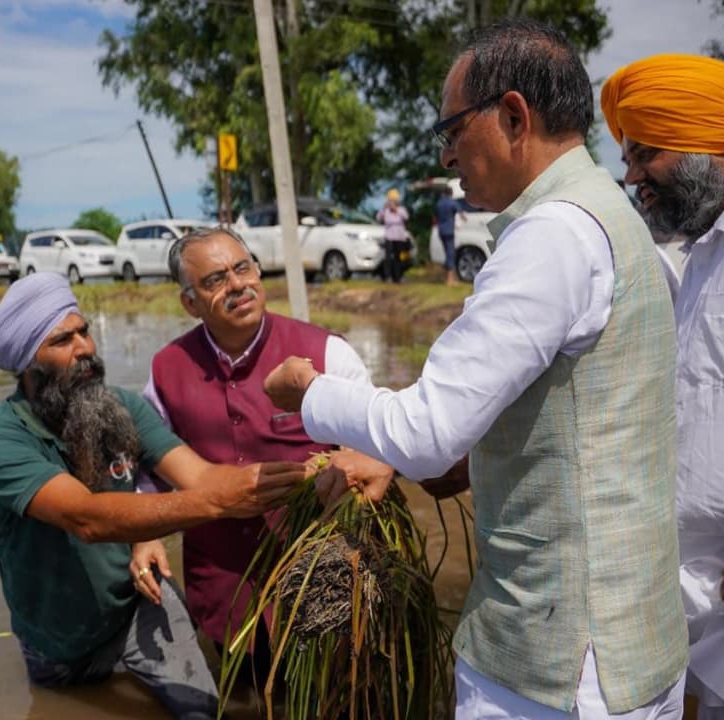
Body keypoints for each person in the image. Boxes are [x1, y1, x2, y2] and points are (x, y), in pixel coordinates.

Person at [262, 19, 686, 719]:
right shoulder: (614, 216)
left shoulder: (551, 235)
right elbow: (572, 419)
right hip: (633, 644)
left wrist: (310, 393)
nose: (449, 154)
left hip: (560, 667)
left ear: (514, 116)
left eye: (453, 129)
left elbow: (430, 428)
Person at [0, 272, 315, 719]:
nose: (85, 349)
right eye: (62, 341)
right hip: (56, 640)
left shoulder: (122, 407)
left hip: (139, 602)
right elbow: (88, 518)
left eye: (84, 332)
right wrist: (219, 502)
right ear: (26, 365)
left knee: (203, 711)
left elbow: (200, 476)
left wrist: (296, 476)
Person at [140, 225, 400, 682]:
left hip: (326, 586)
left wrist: (352, 465)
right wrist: (145, 534)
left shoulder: (326, 353)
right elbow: (149, 467)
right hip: (223, 592)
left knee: (337, 696)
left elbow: (380, 443)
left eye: (243, 268)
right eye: (215, 280)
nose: (237, 285)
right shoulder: (166, 370)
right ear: (189, 303)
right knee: (246, 693)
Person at [601, 52, 724, 719]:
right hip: (690, 608)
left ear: (708, 143)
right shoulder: (699, 258)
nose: (630, 177)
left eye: (646, 153)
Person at [375, 188, 411, 283]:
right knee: (388, 258)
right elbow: (378, 218)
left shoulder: (401, 210)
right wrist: (384, 208)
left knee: (398, 258)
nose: (392, 203)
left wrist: (396, 210)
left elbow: (406, 217)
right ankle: (387, 277)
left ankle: (398, 277)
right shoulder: (386, 211)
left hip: (399, 237)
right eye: (391, 201)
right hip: (389, 237)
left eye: (394, 201)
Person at [435, 185, 466, 286]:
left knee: (447, 252)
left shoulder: (439, 203)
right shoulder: (452, 202)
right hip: (449, 230)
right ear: (451, 193)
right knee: (450, 253)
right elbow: (462, 215)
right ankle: (449, 280)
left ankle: (449, 277)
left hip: (441, 231)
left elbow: (436, 216)